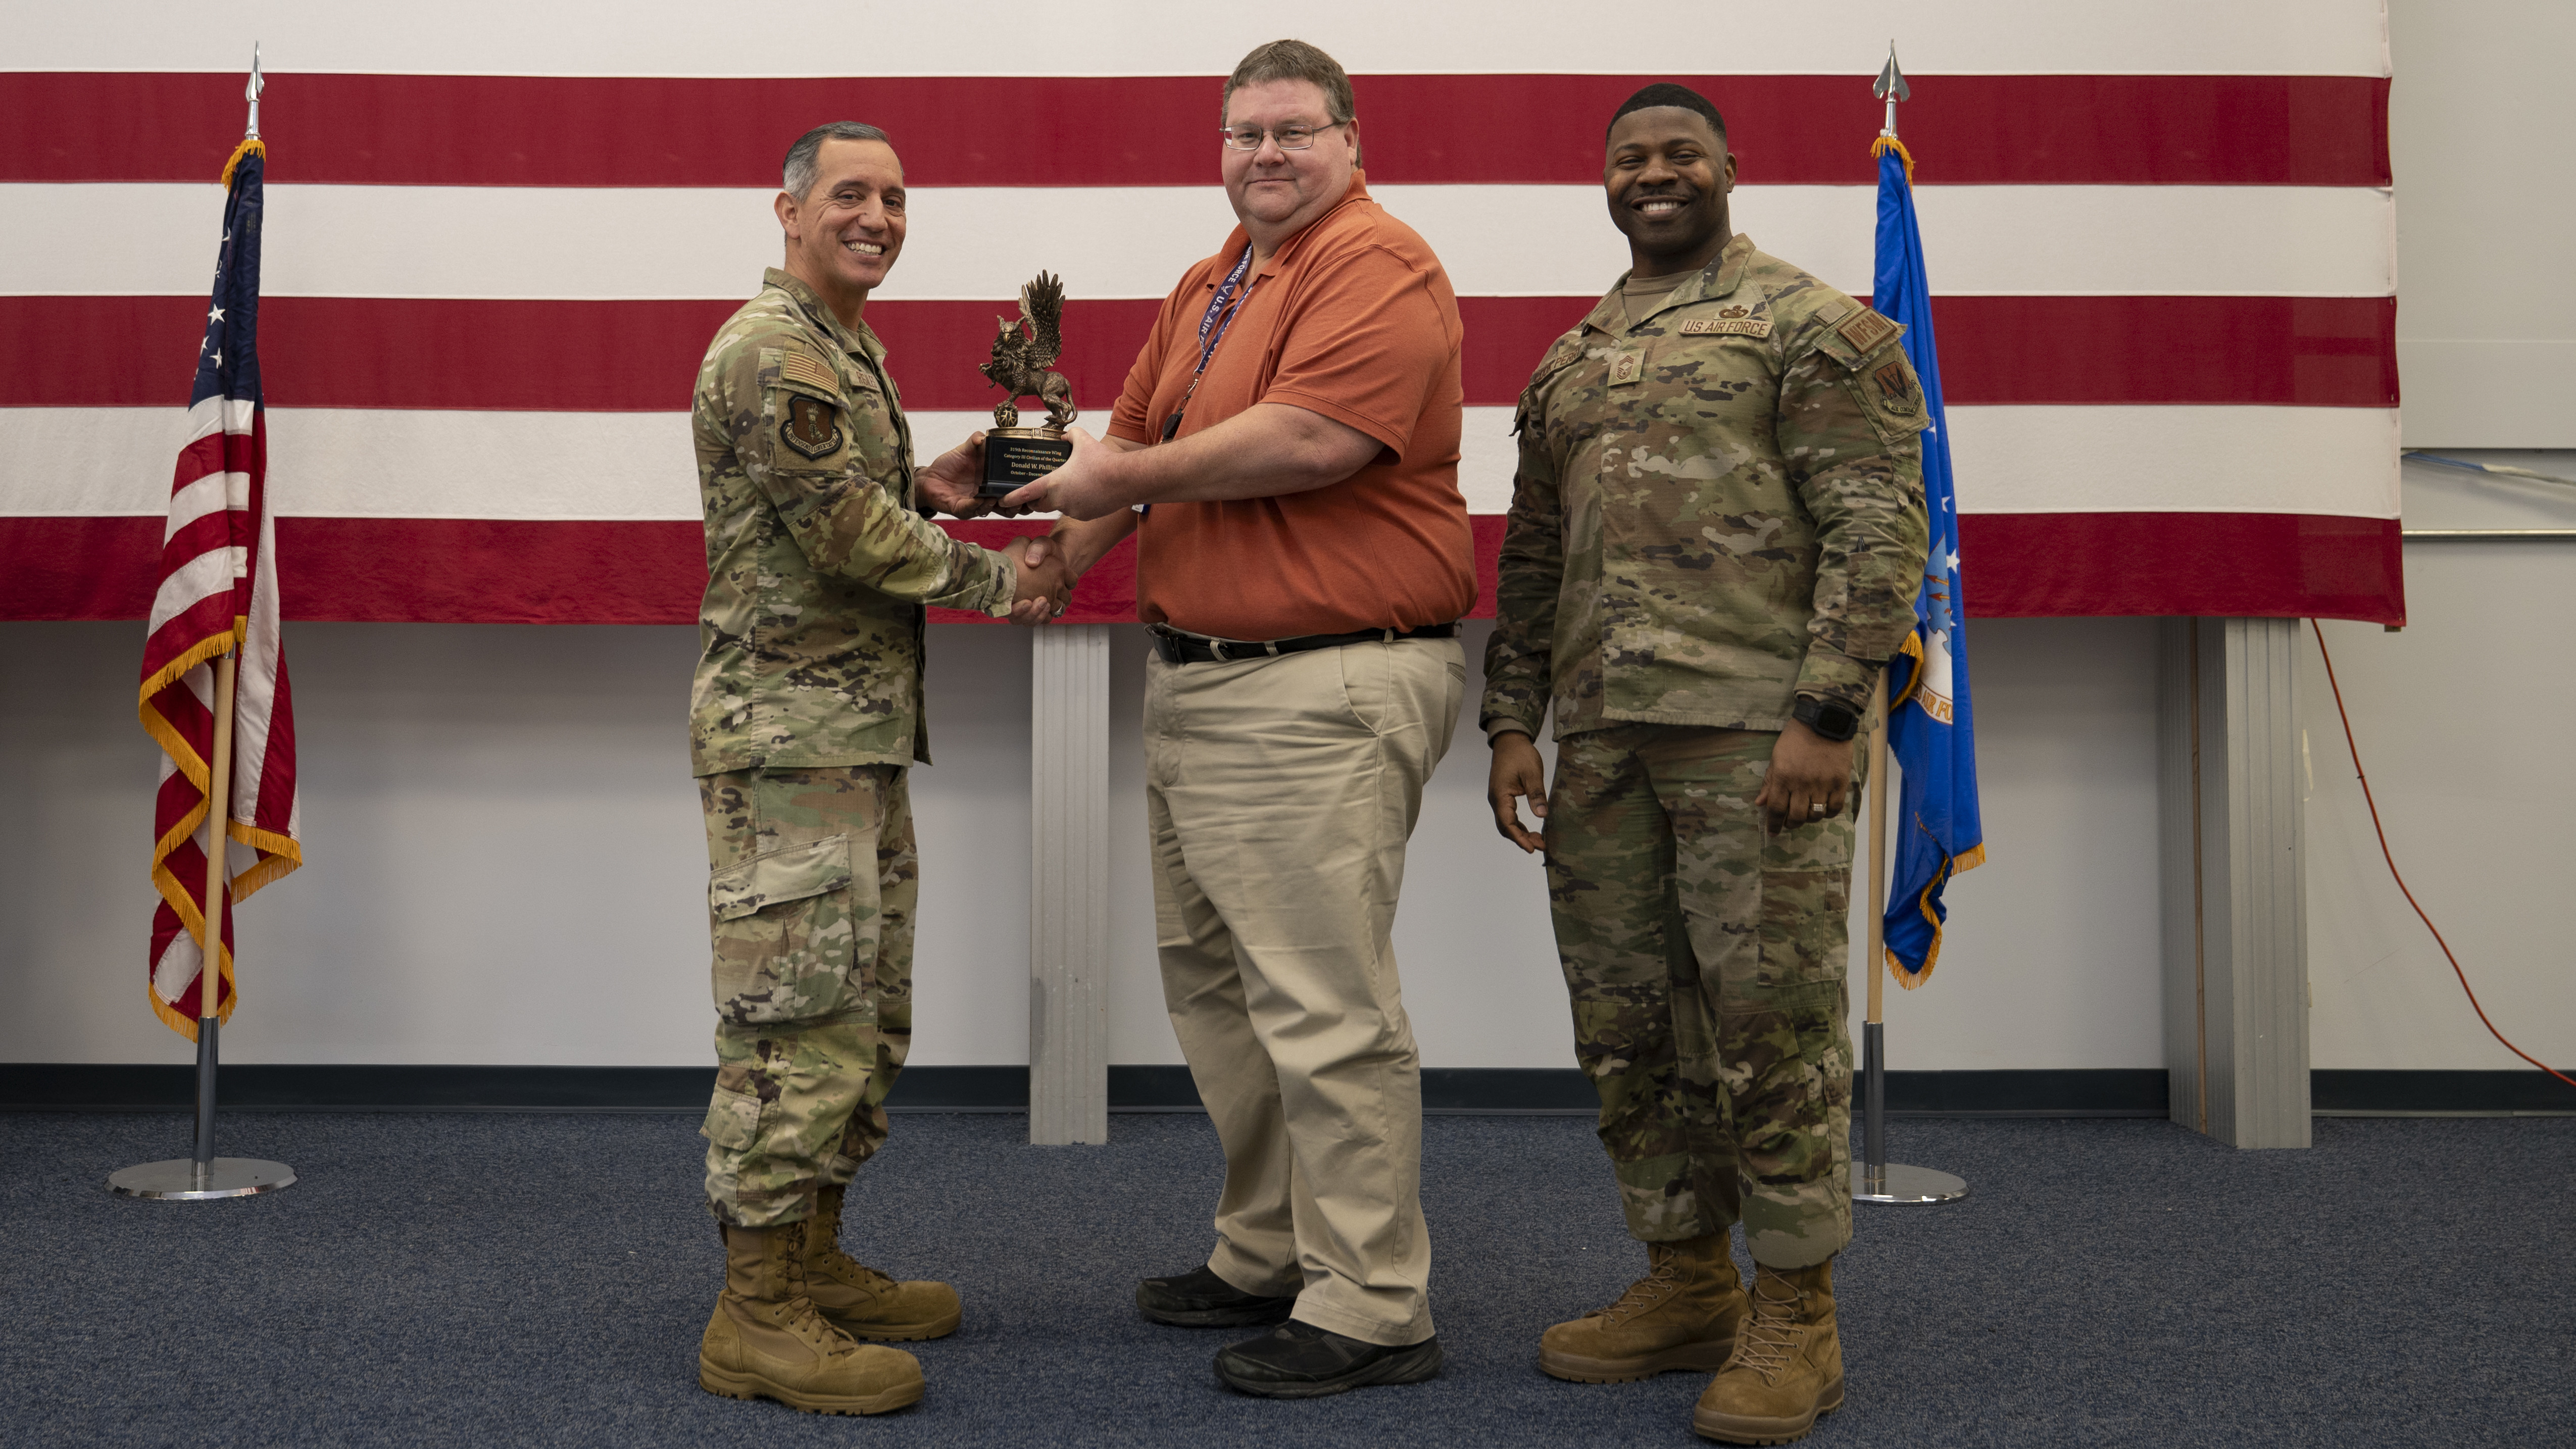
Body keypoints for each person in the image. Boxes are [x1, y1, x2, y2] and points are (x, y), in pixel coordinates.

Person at [998, 38, 1472, 1400]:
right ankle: (1269, 1247)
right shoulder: (1213, 283)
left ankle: (1373, 1300)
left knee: (1322, 1005)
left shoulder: (1375, 263)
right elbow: (1129, 454)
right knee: (1220, 996)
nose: (1267, 153)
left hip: (1320, 683)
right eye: (1245, 133)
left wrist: (1111, 478)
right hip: (1202, 681)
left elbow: (1312, 440)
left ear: (1349, 140)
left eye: (1293, 130)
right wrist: (1055, 559)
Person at [1480, 84, 1930, 1444]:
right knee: (1629, 1027)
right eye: (1630, 158)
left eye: (1680, 153)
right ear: (1604, 180)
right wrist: (1511, 719)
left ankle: (1796, 1310)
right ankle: (1685, 1277)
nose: (1654, 173)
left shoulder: (1810, 325)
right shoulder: (1570, 359)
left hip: (1756, 737)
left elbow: (1877, 526)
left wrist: (1828, 715)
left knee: (1768, 1027)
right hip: (1600, 739)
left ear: (1729, 168)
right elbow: (1534, 555)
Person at [686, 120, 1056, 1416]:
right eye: (851, 193)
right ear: (787, 209)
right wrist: (1001, 581)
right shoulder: (775, 349)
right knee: (795, 1025)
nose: (879, 216)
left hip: (852, 738)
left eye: (896, 198)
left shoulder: (843, 349)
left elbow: (855, 500)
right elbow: (843, 535)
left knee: (862, 1018)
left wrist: (931, 485)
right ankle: (753, 1315)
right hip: (790, 745)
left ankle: (812, 1261)